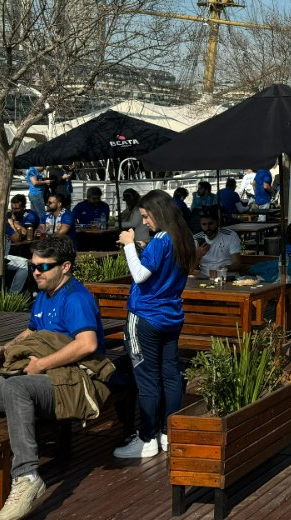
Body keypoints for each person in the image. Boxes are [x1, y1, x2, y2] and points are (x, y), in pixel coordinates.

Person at [0, 236, 108, 520]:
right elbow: (32, 333)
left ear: (65, 266)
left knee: (18, 388)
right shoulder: (45, 294)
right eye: (33, 266)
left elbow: (87, 344)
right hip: (47, 380)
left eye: (43, 267)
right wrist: (5, 349)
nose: (36, 272)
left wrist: (41, 364)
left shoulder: (76, 297)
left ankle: (27, 477)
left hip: (76, 383)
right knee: (9, 386)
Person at [114, 190, 194, 459]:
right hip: (171, 316)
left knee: (147, 379)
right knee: (170, 375)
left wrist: (128, 243)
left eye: (146, 216)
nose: (144, 222)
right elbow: (159, 267)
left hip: (146, 316)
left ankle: (147, 439)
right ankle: (168, 433)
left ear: (158, 214)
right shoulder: (183, 238)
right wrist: (140, 248)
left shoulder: (160, 240)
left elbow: (139, 275)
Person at [193, 210, 243, 275]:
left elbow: (237, 264)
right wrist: (199, 255)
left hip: (228, 278)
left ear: (217, 222)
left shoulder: (231, 235)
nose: (207, 227)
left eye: (210, 224)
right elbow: (190, 268)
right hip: (204, 279)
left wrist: (226, 268)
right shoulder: (196, 239)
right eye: (204, 224)